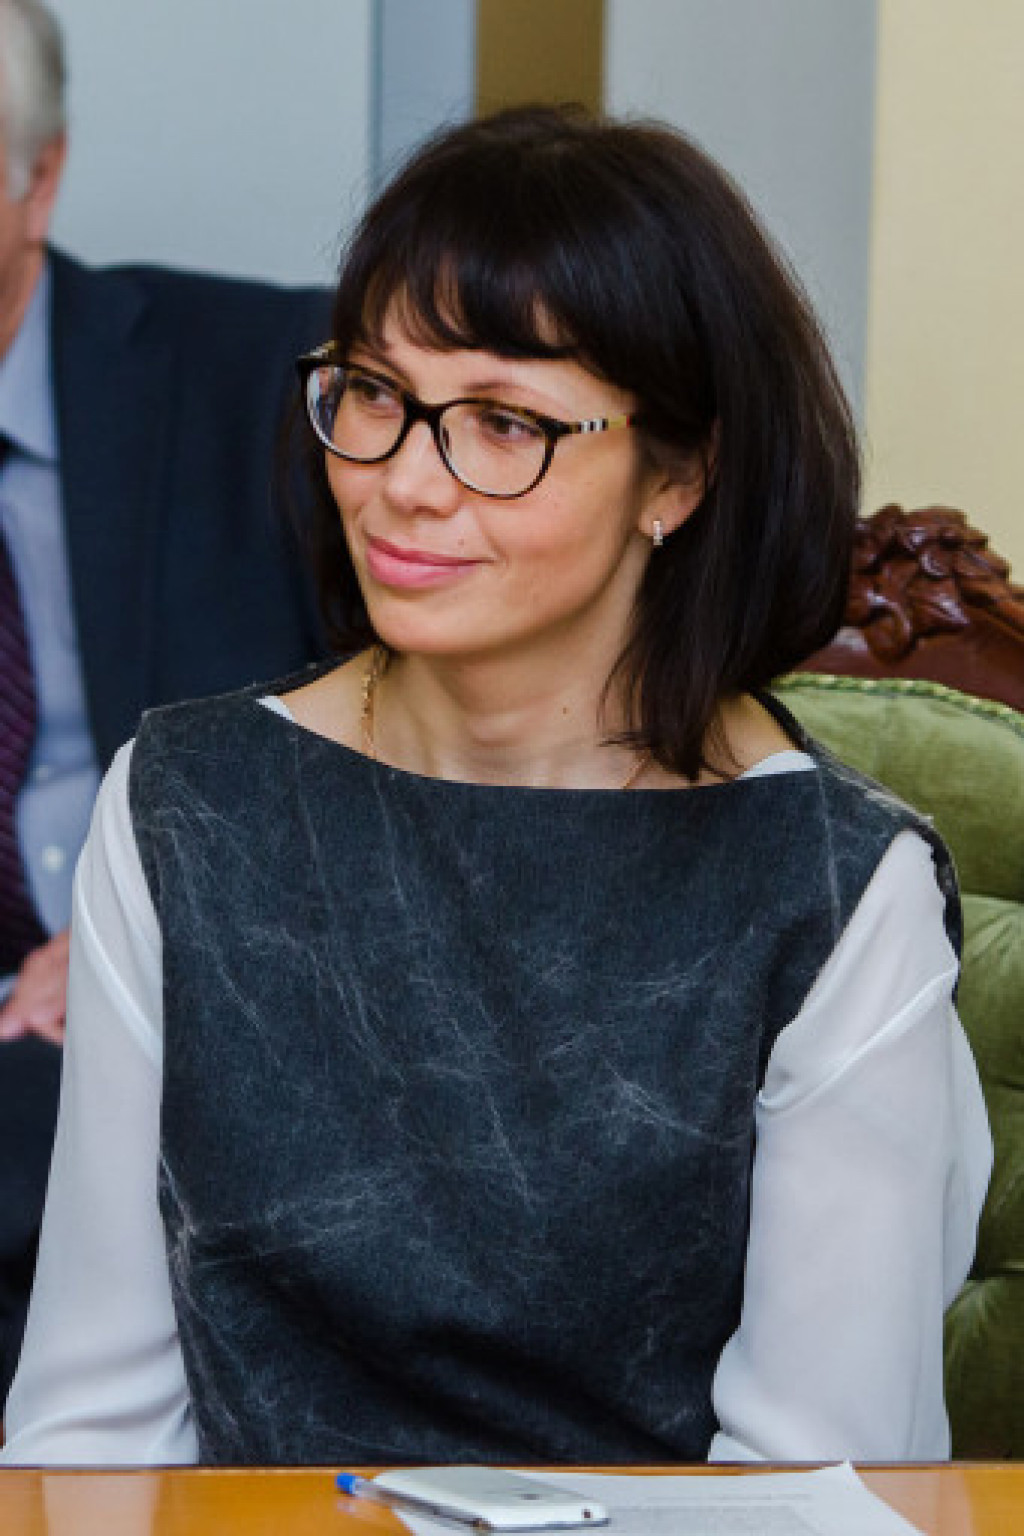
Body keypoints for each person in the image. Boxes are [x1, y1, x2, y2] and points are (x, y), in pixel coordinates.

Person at [1, 104, 991, 1466]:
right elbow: (90, 1429)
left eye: (504, 423)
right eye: (374, 394)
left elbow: (814, 1480)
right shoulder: (182, 804)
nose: (406, 483)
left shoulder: (831, 885)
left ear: (680, 473)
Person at [0, 0, 328, 1403]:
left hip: (226, 1018)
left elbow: (443, 707)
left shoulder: (272, 381)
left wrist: (167, 914)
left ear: (41, 178)